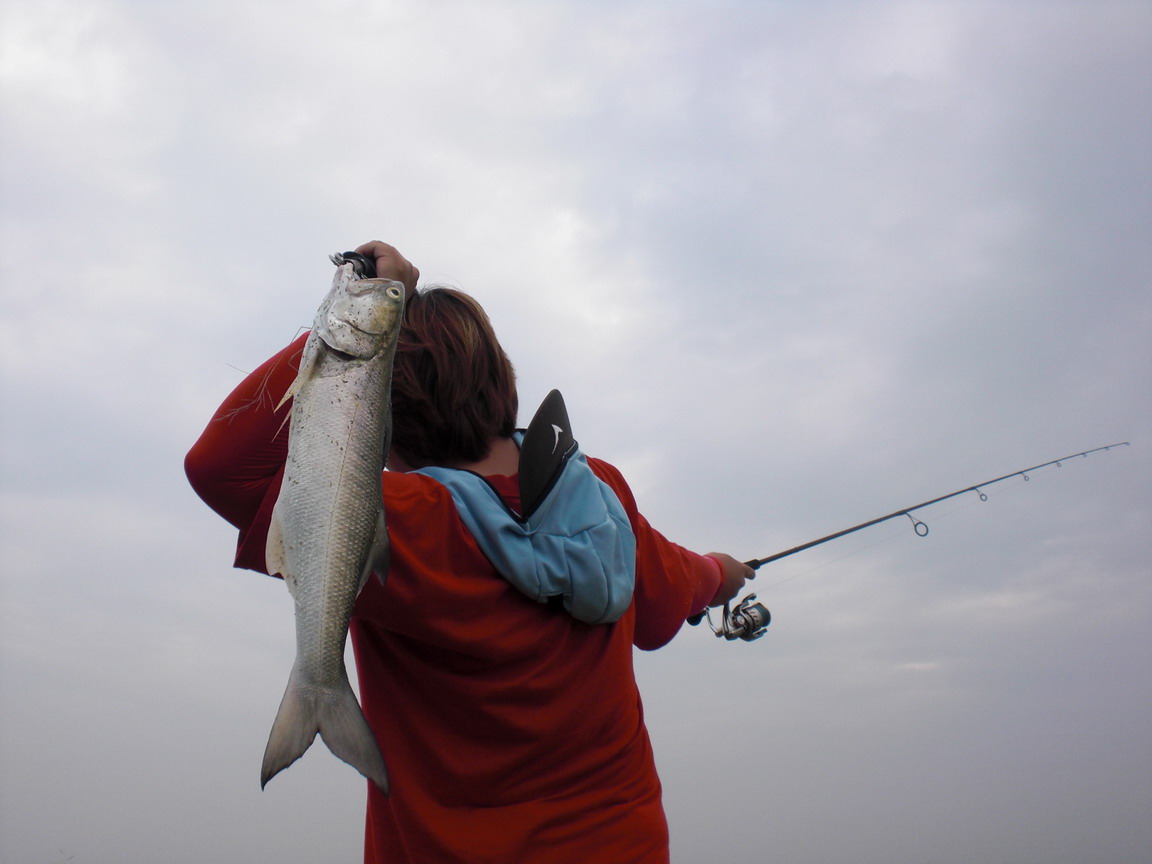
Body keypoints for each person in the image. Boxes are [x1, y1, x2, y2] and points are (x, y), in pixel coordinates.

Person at [185, 241, 754, 864]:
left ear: (382, 411)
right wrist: (725, 574)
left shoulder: (402, 523)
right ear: (499, 377)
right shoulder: (603, 500)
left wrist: (353, 325)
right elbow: (686, 580)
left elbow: (219, 469)